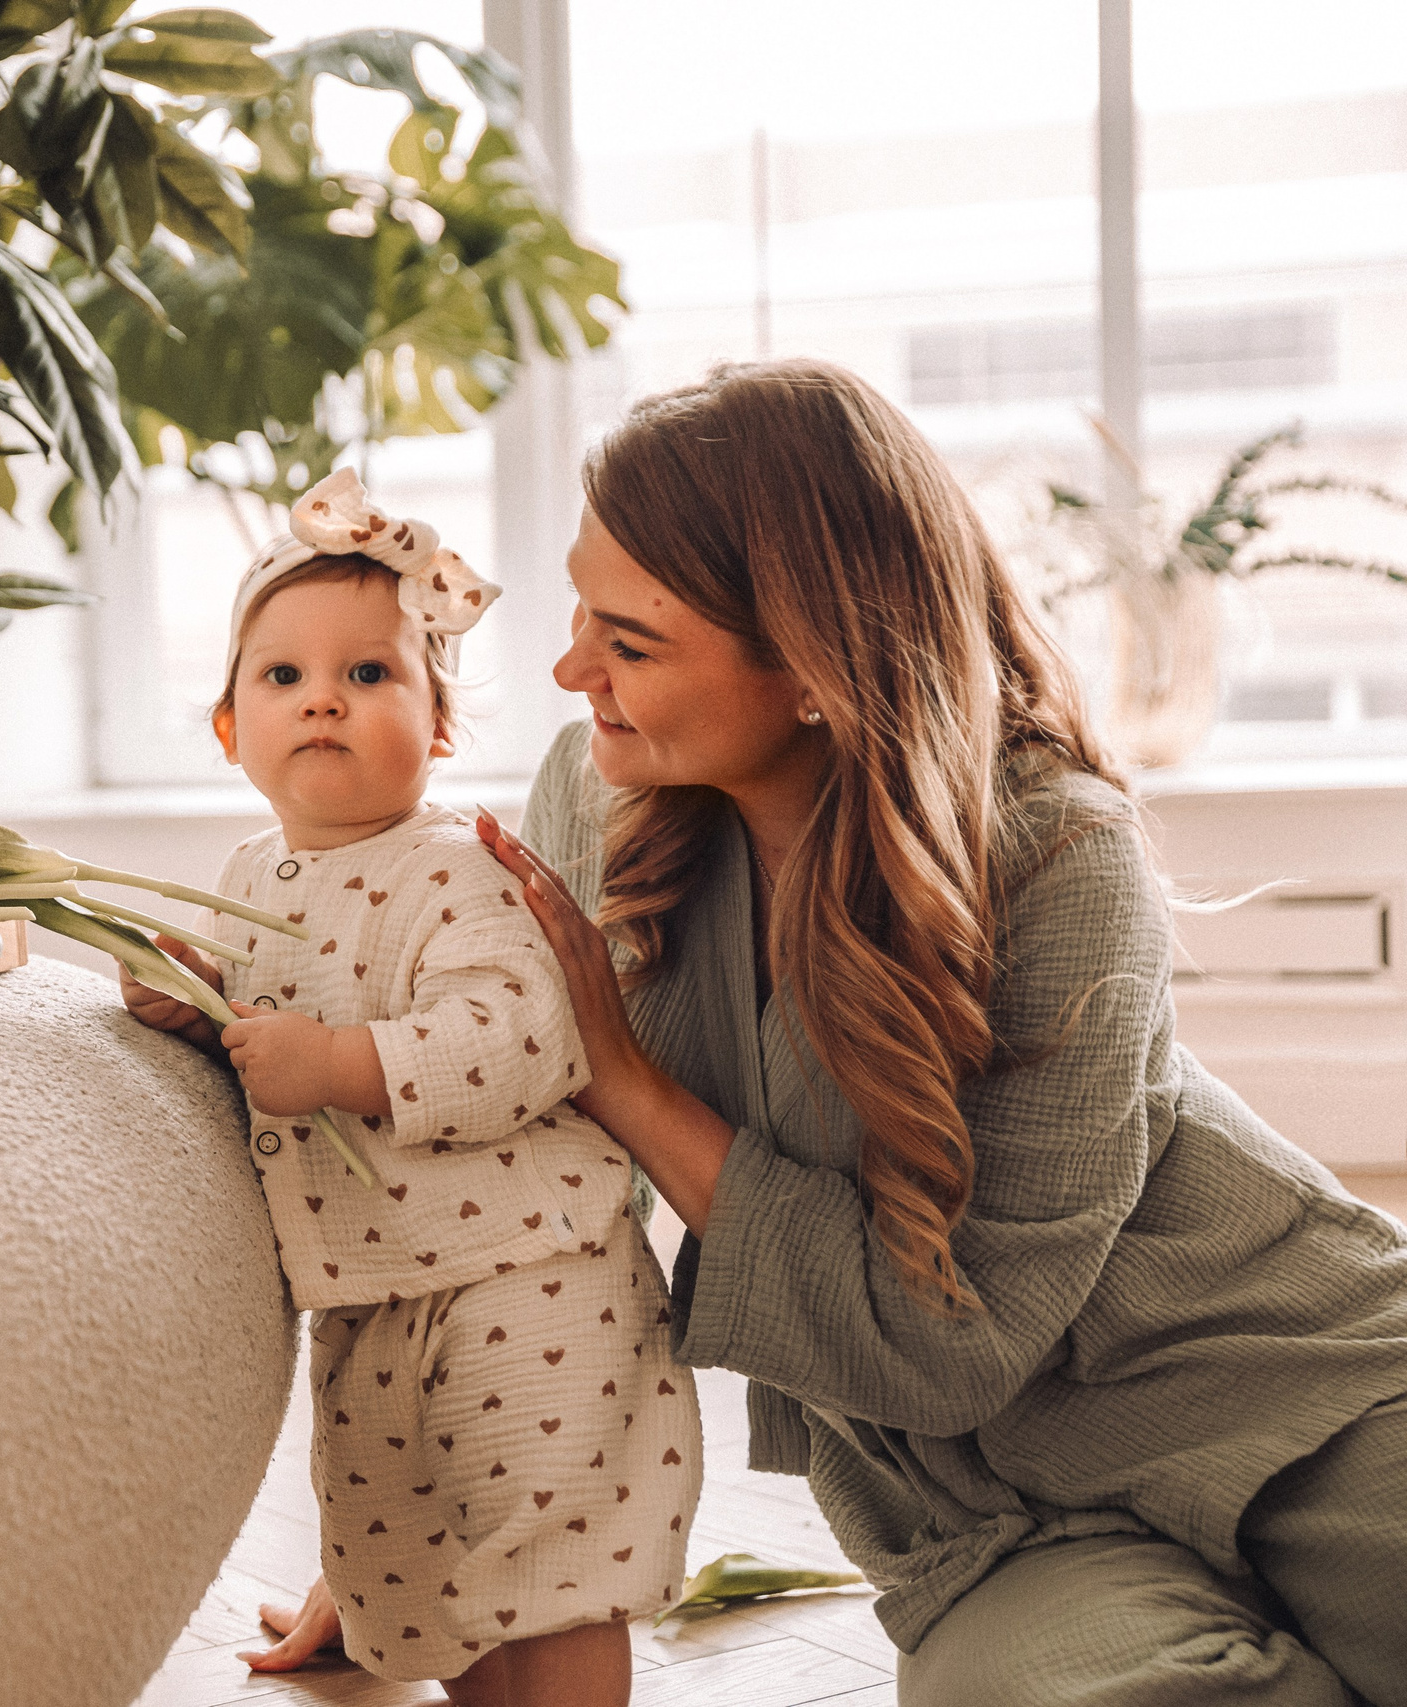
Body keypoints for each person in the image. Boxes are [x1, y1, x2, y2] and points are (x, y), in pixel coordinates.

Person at [430, 357, 1404, 1706]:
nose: (570, 667)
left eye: (630, 640)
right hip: (998, 1524)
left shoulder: (1060, 853)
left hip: (1295, 1395)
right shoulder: (595, 802)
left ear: (814, 669)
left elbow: (959, 1324)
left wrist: (632, 1080)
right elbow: (497, 1155)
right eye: (583, 612)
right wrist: (418, 1550)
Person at [118, 469, 699, 1706]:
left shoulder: (459, 868)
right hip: (370, 1291)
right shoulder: (246, 874)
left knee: (544, 1561)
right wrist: (188, 998)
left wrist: (338, 1064)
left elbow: (519, 1036)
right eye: (283, 679)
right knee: (412, 1557)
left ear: (437, 729)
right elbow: (254, 1008)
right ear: (230, 731)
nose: (322, 697)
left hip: (529, 1269)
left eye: (370, 675)